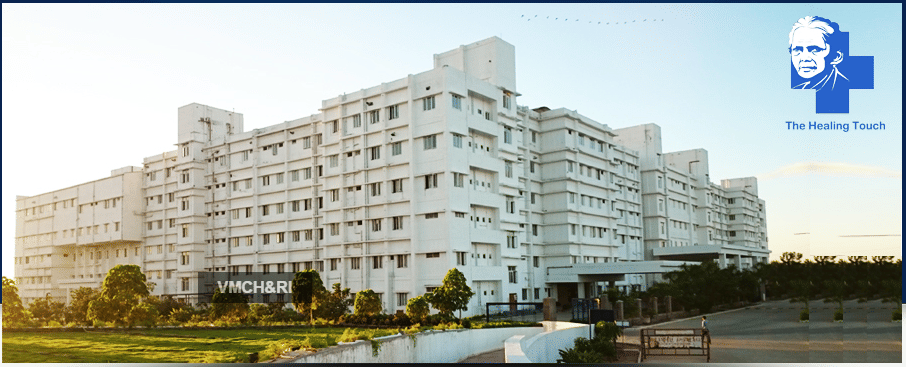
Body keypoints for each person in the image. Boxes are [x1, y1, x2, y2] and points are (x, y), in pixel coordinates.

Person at [789, 16, 848, 91]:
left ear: (836, 57)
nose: (804, 58)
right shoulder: (800, 88)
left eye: (815, 50)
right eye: (797, 50)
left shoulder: (843, 87)